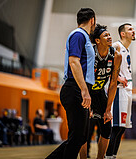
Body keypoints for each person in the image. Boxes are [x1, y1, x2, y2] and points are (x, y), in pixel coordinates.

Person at [46, 8, 96, 159]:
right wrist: (84, 90)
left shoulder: (85, 37)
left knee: (80, 136)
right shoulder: (78, 35)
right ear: (92, 20)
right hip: (75, 88)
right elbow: (74, 62)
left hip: (80, 89)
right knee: (78, 136)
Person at [80, 24, 122, 159]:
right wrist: (87, 103)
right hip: (86, 93)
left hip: (100, 93)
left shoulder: (116, 55)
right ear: (97, 40)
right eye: (106, 35)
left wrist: (108, 109)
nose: (109, 37)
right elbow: (83, 79)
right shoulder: (89, 54)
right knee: (85, 131)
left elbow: (113, 83)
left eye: (109, 35)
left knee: (106, 128)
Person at [106, 23, 135, 159]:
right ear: (122, 34)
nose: (133, 31)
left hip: (127, 90)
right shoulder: (116, 46)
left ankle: (113, 156)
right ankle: (107, 156)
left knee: (122, 128)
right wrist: (117, 77)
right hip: (119, 90)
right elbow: (105, 62)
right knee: (116, 127)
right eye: (130, 29)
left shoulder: (126, 49)